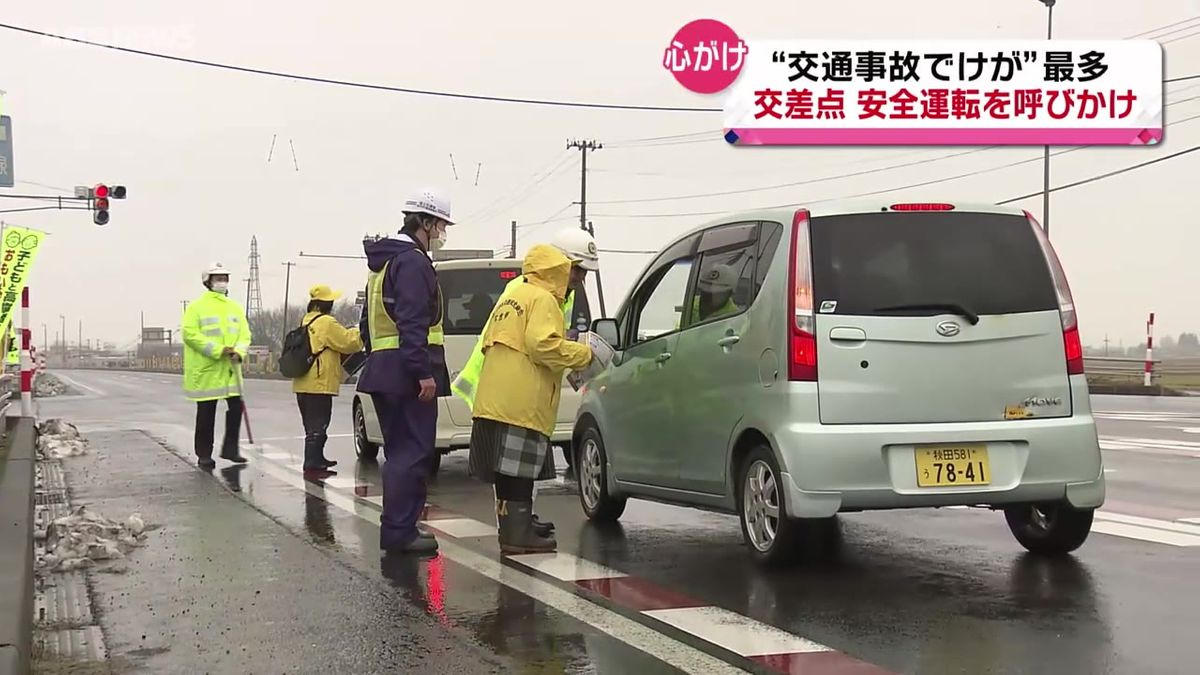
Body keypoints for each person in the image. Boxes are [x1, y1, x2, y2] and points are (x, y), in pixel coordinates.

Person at [450, 227, 600, 531]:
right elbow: (542, 344)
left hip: (497, 397)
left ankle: (515, 528)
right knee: (519, 472)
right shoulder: (544, 297)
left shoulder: (520, 291)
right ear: (562, 264)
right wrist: (584, 355)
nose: (581, 279)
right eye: (578, 271)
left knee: (508, 473)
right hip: (521, 399)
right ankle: (518, 534)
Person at [356, 187, 453, 555]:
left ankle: (398, 528)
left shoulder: (383, 263)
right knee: (412, 454)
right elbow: (413, 320)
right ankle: (400, 531)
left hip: (384, 368)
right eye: (440, 226)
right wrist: (422, 371)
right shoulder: (412, 261)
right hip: (407, 371)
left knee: (399, 452)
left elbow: (368, 323)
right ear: (424, 223)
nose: (442, 234)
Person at [182, 262, 251, 469]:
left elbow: (245, 334)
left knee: (236, 407)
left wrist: (239, 350)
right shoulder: (197, 307)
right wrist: (218, 349)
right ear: (208, 282)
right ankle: (204, 453)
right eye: (218, 278)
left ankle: (230, 449)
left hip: (230, 369)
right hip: (208, 370)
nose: (222, 282)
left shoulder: (234, 307)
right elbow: (190, 334)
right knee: (206, 413)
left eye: (225, 278)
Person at [292, 284, 364, 474]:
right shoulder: (326, 323)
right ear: (325, 304)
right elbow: (349, 342)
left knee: (311, 424)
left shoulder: (306, 320)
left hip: (303, 383)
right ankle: (312, 463)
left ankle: (317, 458)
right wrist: (361, 330)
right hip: (319, 383)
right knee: (320, 423)